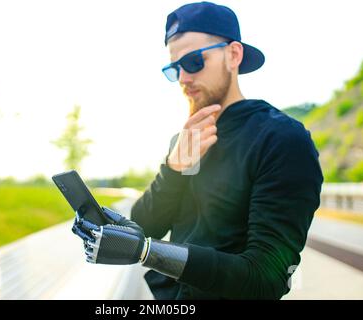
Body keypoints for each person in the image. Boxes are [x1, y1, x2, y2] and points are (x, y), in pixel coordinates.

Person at [72, 1, 323, 300]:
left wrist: (147, 252)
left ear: (233, 54)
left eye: (193, 62)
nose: (183, 78)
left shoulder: (281, 139)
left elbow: (265, 279)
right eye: (173, 68)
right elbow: (146, 226)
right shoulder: (186, 139)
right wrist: (173, 170)